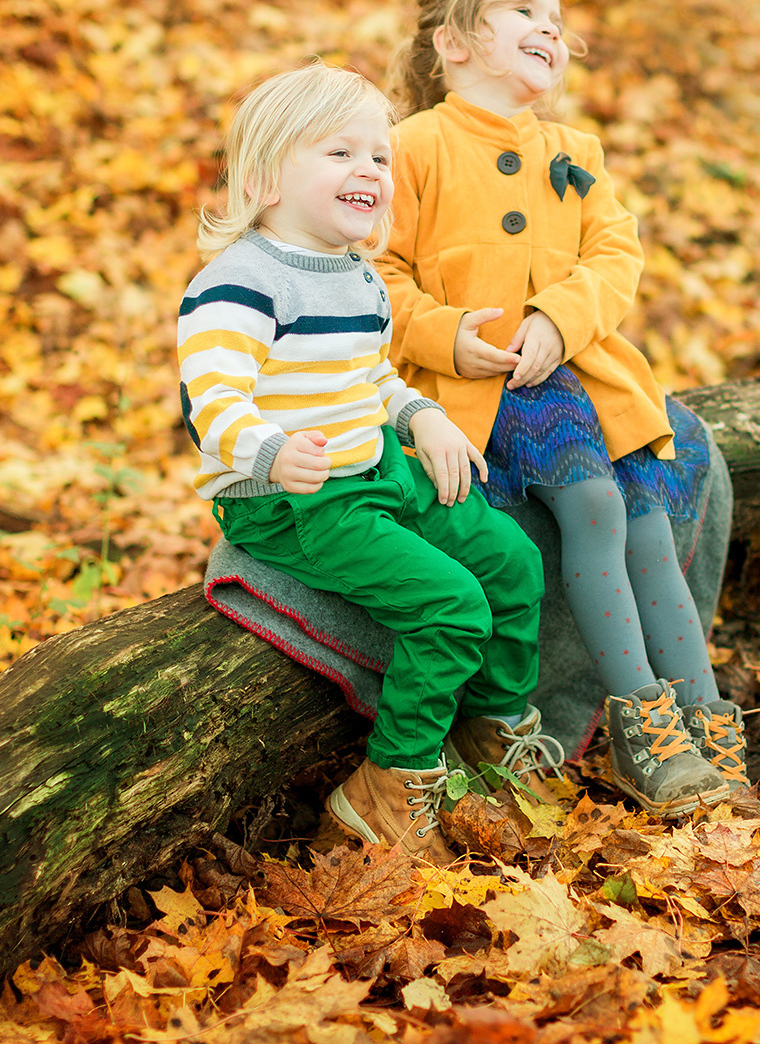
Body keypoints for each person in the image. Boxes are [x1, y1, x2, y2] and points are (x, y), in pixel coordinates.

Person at [380, 0, 750, 817]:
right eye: (523, 12)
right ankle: (641, 732)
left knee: (650, 521)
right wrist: (448, 334)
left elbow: (616, 259)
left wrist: (557, 318)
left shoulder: (575, 153)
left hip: (586, 374)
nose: (551, 28)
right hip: (488, 385)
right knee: (592, 504)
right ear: (454, 43)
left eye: (557, 18)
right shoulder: (415, 148)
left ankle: (702, 722)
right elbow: (379, 275)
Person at [178, 60, 563, 864]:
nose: (370, 171)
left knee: (514, 561)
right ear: (264, 178)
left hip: (378, 462)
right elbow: (211, 404)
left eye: (380, 157)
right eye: (339, 153)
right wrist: (273, 453)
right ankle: (387, 783)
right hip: (296, 498)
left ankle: (488, 740)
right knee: (452, 606)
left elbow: (369, 375)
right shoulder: (238, 284)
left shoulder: (358, 275)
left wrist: (422, 417)